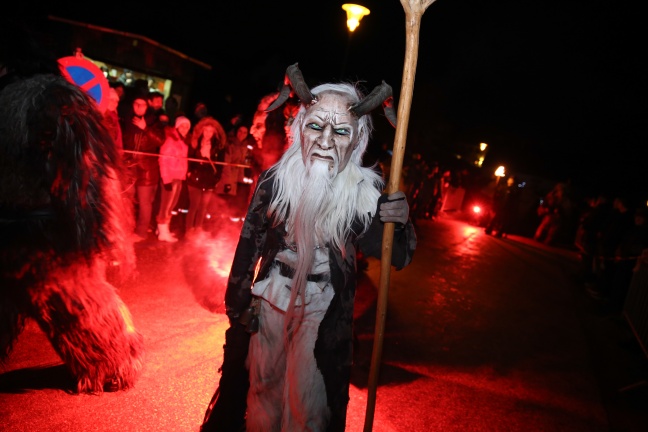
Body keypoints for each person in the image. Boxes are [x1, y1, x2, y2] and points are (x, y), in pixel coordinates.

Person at [200, 64, 416, 432]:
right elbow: (248, 243)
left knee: (307, 404)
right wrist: (237, 306)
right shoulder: (276, 180)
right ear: (299, 130)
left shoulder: (364, 194)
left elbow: (395, 256)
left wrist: (400, 222)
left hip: (322, 310)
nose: (326, 141)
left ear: (357, 141)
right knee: (261, 390)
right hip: (270, 301)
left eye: (341, 130)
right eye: (316, 126)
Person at [0, 20, 143, 393]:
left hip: (41, 228)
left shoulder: (49, 97)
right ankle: (111, 360)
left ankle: (113, 359)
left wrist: (90, 228)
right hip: (25, 224)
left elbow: (81, 167)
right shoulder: (43, 95)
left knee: (73, 308)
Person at [121, 92, 166, 241]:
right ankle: (125, 229)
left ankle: (141, 232)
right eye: (136, 104)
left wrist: (145, 128)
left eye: (142, 104)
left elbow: (160, 140)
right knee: (126, 200)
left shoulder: (154, 121)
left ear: (147, 106)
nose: (139, 107)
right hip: (129, 166)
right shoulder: (126, 120)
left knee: (144, 202)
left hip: (147, 168)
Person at [185, 116, 228, 233]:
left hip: (209, 180)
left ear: (214, 132)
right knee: (194, 206)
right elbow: (189, 159)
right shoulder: (195, 143)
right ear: (202, 130)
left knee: (203, 207)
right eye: (206, 130)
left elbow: (220, 165)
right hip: (195, 178)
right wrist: (190, 172)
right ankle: (189, 230)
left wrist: (217, 178)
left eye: (210, 131)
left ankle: (198, 229)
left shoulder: (218, 146)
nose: (207, 133)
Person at [156, 116, 191, 242]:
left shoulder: (183, 141)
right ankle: (163, 232)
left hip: (178, 177)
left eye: (187, 127)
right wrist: (166, 179)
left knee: (171, 205)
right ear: (177, 126)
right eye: (182, 126)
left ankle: (162, 228)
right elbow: (163, 159)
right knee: (166, 205)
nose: (185, 129)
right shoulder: (171, 140)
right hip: (170, 177)